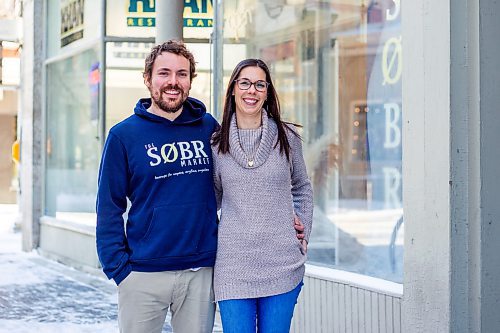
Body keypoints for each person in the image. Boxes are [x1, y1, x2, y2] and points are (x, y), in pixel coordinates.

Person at [96, 40, 219, 333]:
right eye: (164, 73)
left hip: (200, 271)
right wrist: (119, 268)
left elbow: (236, 184)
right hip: (143, 273)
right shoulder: (123, 135)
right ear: (148, 78)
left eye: (182, 74)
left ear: (190, 81)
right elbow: (109, 205)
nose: (173, 82)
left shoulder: (209, 128)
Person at [211, 59, 314, 332]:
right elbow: (211, 200)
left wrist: (303, 231)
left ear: (267, 92)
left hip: (282, 264)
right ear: (233, 89)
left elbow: (302, 186)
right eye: (244, 83)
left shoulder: (287, 137)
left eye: (259, 84)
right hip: (233, 267)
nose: (251, 91)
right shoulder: (215, 145)